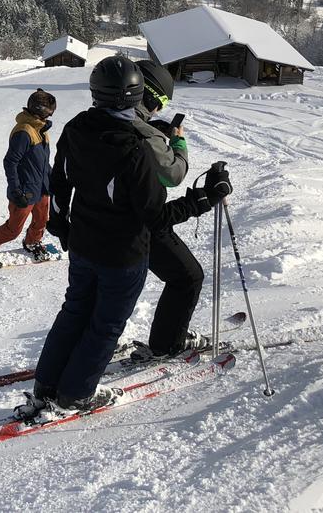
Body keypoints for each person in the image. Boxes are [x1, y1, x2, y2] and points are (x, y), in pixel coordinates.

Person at [32, 55, 230, 412]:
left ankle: (46, 387)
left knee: (74, 311)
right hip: (122, 254)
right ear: (138, 97)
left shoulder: (76, 126)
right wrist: (203, 199)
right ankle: (76, 394)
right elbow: (155, 216)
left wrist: (61, 229)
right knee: (105, 325)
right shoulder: (136, 147)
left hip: (83, 244)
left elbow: (58, 182)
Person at [132, 59, 206, 361]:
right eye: (160, 102)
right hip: (144, 222)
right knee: (188, 277)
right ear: (147, 94)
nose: (160, 109)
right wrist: (177, 141)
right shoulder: (143, 133)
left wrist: (152, 129)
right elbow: (173, 174)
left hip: (107, 222)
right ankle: (168, 343)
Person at [0, 89, 57, 270]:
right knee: (13, 229)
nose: (50, 115)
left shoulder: (41, 130)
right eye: (49, 112)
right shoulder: (24, 131)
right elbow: (10, 162)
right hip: (25, 190)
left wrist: (52, 180)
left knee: (41, 221)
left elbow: (43, 162)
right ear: (39, 110)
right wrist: (15, 189)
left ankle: (32, 242)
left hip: (41, 188)